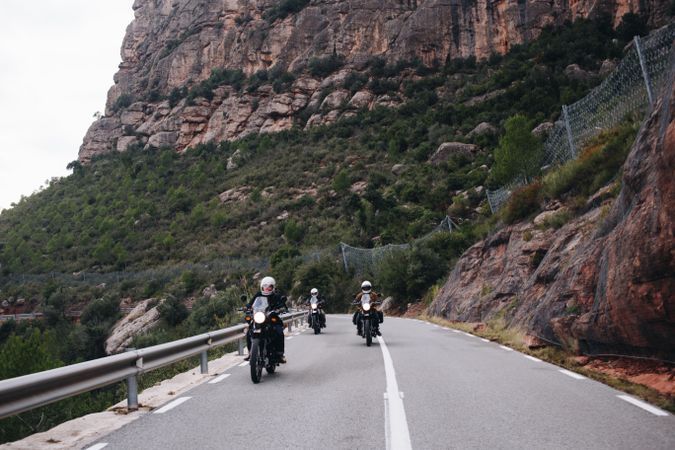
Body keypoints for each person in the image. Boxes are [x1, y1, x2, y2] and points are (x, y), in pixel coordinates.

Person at [244, 276, 288, 363]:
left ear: (273, 287)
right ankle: (250, 353)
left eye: (269, 286)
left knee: (279, 331)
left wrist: (281, 309)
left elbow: (283, 306)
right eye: (265, 286)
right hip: (260, 317)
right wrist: (246, 307)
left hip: (272, 317)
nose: (267, 288)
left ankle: (280, 354)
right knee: (249, 331)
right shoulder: (258, 295)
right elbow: (251, 304)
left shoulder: (276, 296)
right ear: (262, 286)